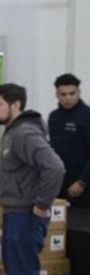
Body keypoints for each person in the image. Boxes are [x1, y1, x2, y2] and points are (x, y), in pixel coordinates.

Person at [0, 83, 65, 275]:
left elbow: (55, 168)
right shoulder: (14, 132)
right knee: (21, 267)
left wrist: (42, 205)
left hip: (25, 215)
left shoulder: (24, 134)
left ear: (16, 105)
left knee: (22, 270)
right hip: (17, 212)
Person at [48, 73, 90, 207]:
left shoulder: (87, 115)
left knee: (80, 226)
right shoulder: (54, 117)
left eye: (72, 93)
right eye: (63, 94)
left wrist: (82, 181)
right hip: (58, 183)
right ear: (57, 95)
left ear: (79, 92)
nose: (68, 98)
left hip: (82, 185)